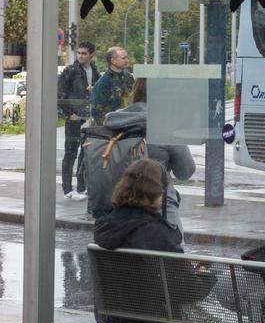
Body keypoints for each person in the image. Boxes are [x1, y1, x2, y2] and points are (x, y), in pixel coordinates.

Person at [94, 160, 214, 323]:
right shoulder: (158, 233)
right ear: (155, 193)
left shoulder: (104, 227)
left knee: (150, 296)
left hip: (113, 314)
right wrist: (207, 278)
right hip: (153, 319)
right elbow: (186, 289)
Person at [100, 79, 195, 236]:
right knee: (171, 254)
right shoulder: (164, 126)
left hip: (117, 205)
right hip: (159, 209)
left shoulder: (113, 122)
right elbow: (185, 171)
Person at [58, 41, 100, 200]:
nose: (81, 56)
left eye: (84, 53)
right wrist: (69, 114)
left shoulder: (94, 70)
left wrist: (94, 88)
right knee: (70, 153)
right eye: (79, 53)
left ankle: (81, 187)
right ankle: (68, 189)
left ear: (91, 55)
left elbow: (97, 90)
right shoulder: (71, 71)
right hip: (74, 117)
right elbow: (60, 94)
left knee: (86, 152)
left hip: (88, 117)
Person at [89, 46, 134, 125]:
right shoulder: (104, 82)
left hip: (129, 122)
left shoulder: (128, 77)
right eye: (123, 58)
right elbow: (96, 110)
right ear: (113, 61)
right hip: (112, 125)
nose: (127, 61)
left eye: (127, 58)